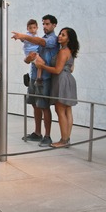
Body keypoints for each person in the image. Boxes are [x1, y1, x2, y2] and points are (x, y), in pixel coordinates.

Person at [11, 14, 59, 147]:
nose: (45, 26)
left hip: (44, 78)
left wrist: (23, 36)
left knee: (44, 106)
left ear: (54, 25)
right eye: (43, 24)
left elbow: (41, 43)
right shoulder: (40, 38)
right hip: (33, 76)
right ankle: (38, 133)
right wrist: (28, 58)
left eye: (47, 24)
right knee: (35, 104)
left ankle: (47, 135)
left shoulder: (53, 39)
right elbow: (29, 59)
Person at [35, 27, 80, 148]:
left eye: (63, 35)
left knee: (60, 110)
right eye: (60, 34)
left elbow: (57, 70)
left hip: (61, 80)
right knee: (68, 110)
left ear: (69, 39)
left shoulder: (63, 52)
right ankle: (66, 139)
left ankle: (63, 140)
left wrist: (42, 66)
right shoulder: (71, 51)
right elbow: (71, 68)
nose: (60, 36)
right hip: (69, 80)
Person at [12, 19, 42, 83]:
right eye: (30, 28)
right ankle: (38, 78)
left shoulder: (37, 35)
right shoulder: (27, 35)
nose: (32, 29)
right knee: (41, 63)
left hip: (35, 52)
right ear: (27, 29)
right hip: (30, 52)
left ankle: (38, 78)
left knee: (39, 64)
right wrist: (19, 37)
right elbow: (23, 39)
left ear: (37, 28)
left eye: (34, 28)